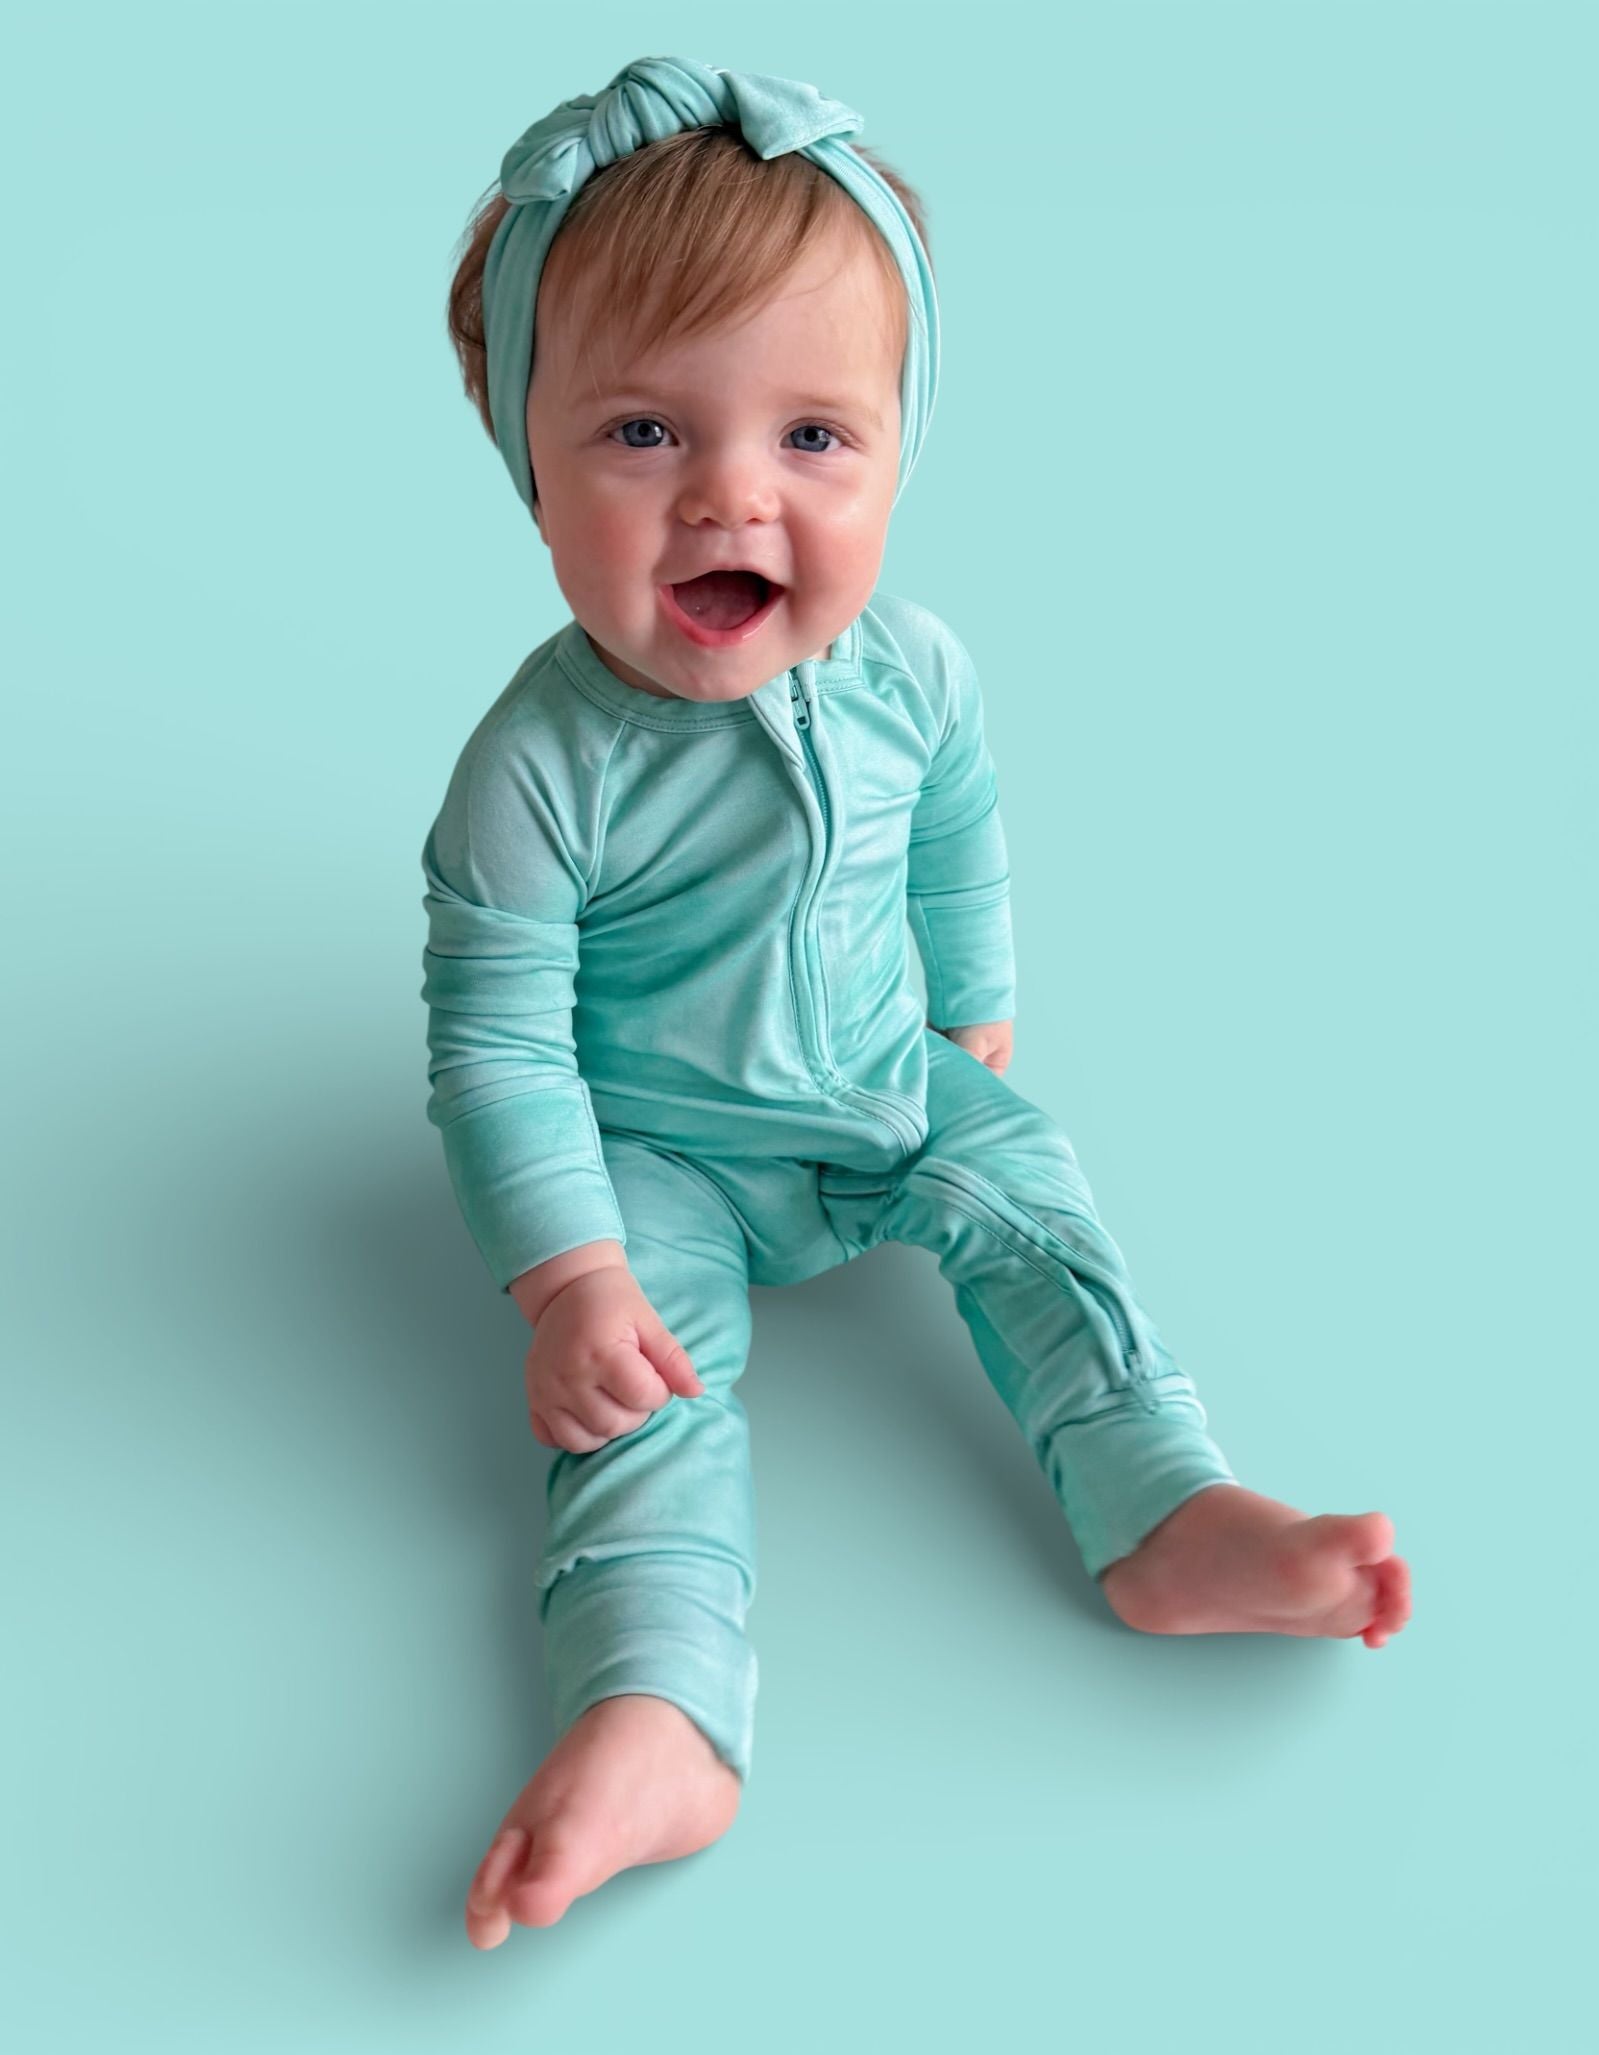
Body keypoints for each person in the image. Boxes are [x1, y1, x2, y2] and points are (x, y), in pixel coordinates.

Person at [420, 56, 1412, 1947]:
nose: (731, 493)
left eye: (814, 436)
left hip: (885, 1079)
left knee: (1039, 1205)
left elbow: (959, 834)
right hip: (655, 1155)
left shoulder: (916, 671)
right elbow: (495, 1040)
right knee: (641, 1407)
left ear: (902, 446)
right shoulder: (538, 767)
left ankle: (1165, 1510)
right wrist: (570, 1279)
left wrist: (975, 1016)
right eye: (642, 432)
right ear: (527, 459)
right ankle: (655, 1707)